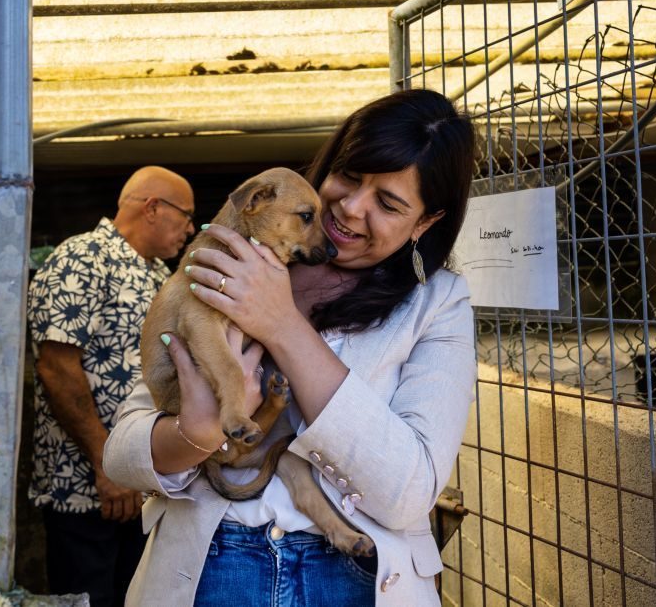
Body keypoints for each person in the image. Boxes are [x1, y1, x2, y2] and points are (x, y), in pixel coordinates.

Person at [103, 89, 479, 606]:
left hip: (352, 581)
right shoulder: (241, 264)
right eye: (348, 176)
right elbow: (122, 455)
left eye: (388, 203)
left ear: (426, 222)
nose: (349, 208)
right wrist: (195, 431)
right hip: (208, 568)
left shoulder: (438, 304)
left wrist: (282, 325)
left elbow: (409, 493)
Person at [27, 166, 196, 606]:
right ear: (153, 208)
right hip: (87, 490)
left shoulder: (161, 276)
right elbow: (56, 368)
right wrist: (106, 465)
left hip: (144, 486)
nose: (192, 228)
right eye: (187, 215)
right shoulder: (81, 258)